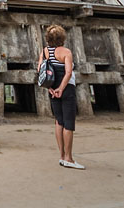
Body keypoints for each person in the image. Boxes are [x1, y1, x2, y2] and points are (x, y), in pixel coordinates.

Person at [37, 24, 84, 169]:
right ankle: (69, 158)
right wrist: (61, 88)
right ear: (62, 37)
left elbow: (40, 70)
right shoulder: (66, 52)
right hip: (66, 89)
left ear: (48, 38)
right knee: (68, 123)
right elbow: (68, 72)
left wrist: (51, 88)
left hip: (51, 89)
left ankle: (62, 156)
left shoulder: (45, 52)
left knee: (59, 121)